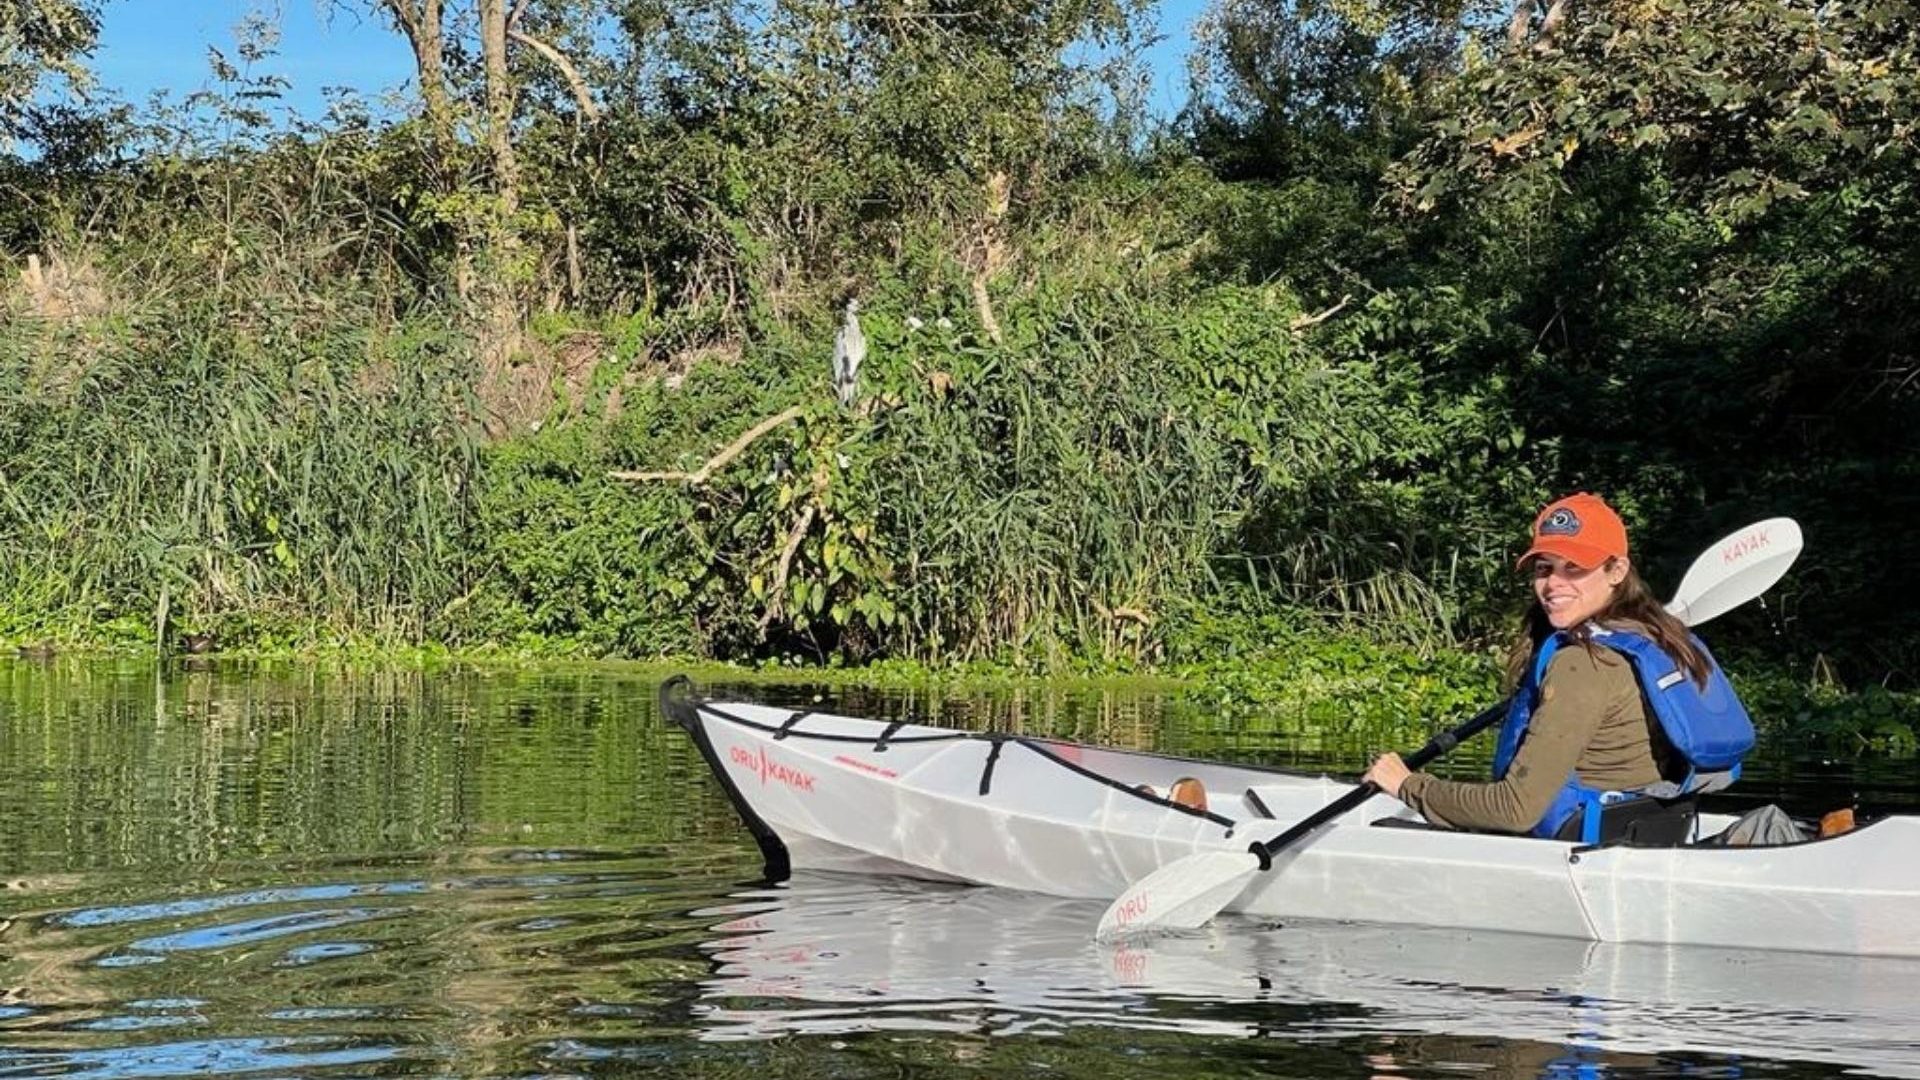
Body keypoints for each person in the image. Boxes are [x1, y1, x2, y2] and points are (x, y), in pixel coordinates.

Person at [1363, 492, 1754, 841]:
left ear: (1617, 571)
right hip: (1649, 826)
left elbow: (1514, 810)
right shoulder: (1659, 637)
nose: (1553, 584)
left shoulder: (1582, 663)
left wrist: (1408, 785)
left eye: (1574, 568)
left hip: (1580, 844)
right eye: (1544, 568)